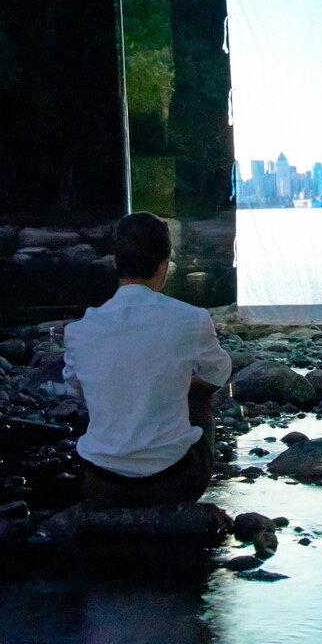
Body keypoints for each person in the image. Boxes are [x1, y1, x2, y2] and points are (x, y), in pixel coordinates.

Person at [62, 212, 231, 508]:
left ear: (116, 264)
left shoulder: (80, 330)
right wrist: (184, 383)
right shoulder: (191, 318)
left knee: (97, 399)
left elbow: (74, 389)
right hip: (177, 482)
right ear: (164, 265)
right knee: (199, 395)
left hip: (101, 484)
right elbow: (218, 374)